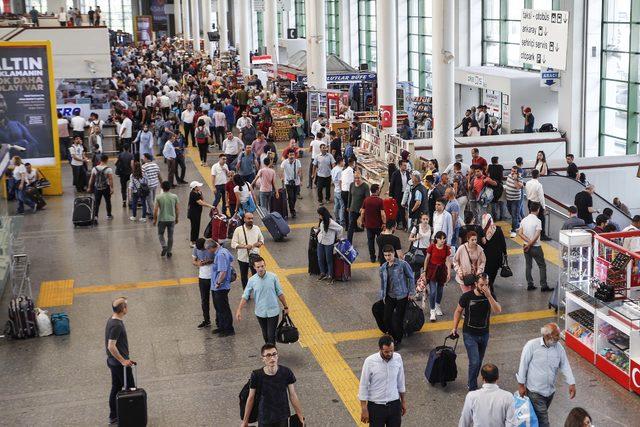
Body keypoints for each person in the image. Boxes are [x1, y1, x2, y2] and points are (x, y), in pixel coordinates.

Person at [516, 323, 576, 427]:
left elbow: (565, 365)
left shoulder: (559, 348)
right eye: (556, 335)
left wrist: (572, 383)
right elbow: (523, 365)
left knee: (538, 419)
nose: (559, 338)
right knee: (544, 422)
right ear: (547, 336)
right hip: (535, 392)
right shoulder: (531, 346)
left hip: (550, 392)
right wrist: (521, 385)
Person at [452, 273, 502, 391]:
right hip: (469, 334)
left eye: (486, 284)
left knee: (479, 361)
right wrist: (454, 327)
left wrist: (489, 296)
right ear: (475, 284)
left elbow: (498, 310)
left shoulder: (490, 295)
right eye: (481, 285)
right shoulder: (467, 297)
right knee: (474, 361)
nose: (484, 287)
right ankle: (472, 386)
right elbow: (458, 311)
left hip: (484, 334)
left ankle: (472, 380)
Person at [241, 343, 304, 427]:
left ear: (277, 356)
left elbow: (293, 395)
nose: (272, 358)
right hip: (265, 418)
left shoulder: (286, 372)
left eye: (274, 354)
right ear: (262, 359)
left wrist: (300, 416)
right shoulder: (256, 375)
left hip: (282, 416)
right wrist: (245, 421)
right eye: (268, 355)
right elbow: (251, 398)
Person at [236, 256, 290, 344]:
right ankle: (269, 351)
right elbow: (245, 296)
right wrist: (239, 310)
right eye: (258, 267)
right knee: (265, 335)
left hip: (273, 311)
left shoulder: (273, 277)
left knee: (271, 335)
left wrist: (286, 306)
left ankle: (272, 353)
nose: (261, 269)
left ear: (265, 265)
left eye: (262, 266)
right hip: (260, 312)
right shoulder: (252, 280)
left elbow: (280, 293)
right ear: (254, 267)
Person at [358, 335, 407, 426]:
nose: (389, 354)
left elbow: (401, 382)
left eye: (391, 351)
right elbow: (363, 385)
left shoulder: (398, 358)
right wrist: (364, 408)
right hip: (376, 407)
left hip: (394, 404)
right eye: (386, 352)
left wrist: (403, 401)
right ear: (380, 349)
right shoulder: (370, 361)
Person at [105, 297, 135, 425]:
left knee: (116, 388)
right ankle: (131, 415)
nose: (128, 307)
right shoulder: (116, 325)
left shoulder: (112, 319)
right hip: (119, 364)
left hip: (113, 362)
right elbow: (111, 346)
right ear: (123, 309)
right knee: (131, 388)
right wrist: (123, 361)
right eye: (126, 305)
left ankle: (114, 416)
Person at [379, 245, 415, 348]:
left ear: (393, 253)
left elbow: (411, 277)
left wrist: (411, 293)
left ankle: (397, 340)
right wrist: (382, 295)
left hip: (402, 296)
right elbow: (383, 282)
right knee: (386, 318)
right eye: (385, 255)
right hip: (390, 296)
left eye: (389, 255)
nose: (387, 257)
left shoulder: (402, 264)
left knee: (398, 319)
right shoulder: (383, 267)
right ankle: (392, 335)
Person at [518, 202, 552, 292]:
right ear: (538, 209)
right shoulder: (538, 221)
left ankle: (530, 284)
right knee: (542, 266)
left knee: (528, 265)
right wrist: (531, 244)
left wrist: (527, 244)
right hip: (536, 247)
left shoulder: (524, 220)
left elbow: (520, 233)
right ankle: (544, 286)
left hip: (525, 246)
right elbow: (537, 236)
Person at [207, 239, 235, 336]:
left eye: (208, 249)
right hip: (217, 287)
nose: (208, 251)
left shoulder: (220, 255)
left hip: (220, 287)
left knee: (223, 308)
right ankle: (222, 327)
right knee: (219, 307)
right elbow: (231, 259)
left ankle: (228, 329)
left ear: (212, 248)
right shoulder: (223, 250)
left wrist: (218, 282)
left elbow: (223, 271)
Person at [422, 231, 451, 322]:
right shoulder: (432, 247)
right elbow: (427, 259)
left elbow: (447, 261)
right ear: (437, 239)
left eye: (444, 238)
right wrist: (424, 271)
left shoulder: (446, 248)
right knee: (433, 291)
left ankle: (437, 305)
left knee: (440, 290)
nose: (443, 240)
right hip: (432, 270)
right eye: (441, 238)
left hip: (442, 270)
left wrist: (449, 272)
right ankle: (432, 310)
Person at [231, 212, 264, 290]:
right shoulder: (238, 230)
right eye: (249, 218)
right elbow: (233, 244)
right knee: (244, 276)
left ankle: (257, 291)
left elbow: (261, 240)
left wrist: (258, 243)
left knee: (256, 276)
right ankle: (246, 293)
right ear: (244, 219)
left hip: (254, 257)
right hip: (243, 258)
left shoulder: (257, 228)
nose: (251, 220)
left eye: (252, 218)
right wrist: (245, 246)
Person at [192, 238, 216, 329]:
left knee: (216, 300)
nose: (202, 250)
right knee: (204, 300)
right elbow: (193, 261)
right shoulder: (196, 248)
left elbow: (217, 257)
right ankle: (206, 320)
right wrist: (199, 263)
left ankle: (219, 321)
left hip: (213, 276)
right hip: (202, 277)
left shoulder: (211, 245)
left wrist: (210, 261)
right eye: (200, 250)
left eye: (203, 249)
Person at [481, 214, 506, 297]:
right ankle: (490, 285)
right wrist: (505, 253)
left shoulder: (482, 231)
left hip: (486, 258)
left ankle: (489, 287)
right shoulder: (498, 229)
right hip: (497, 257)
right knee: (493, 273)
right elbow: (503, 243)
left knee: (487, 273)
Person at [316, 207, 343, 284]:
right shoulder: (322, 221)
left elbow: (340, 228)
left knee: (329, 260)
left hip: (328, 243)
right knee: (320, 258)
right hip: (320, 241)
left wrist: (338, 238)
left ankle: (330, 275)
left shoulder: (331, 222)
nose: (319, 216)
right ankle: (323, 273)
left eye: (320, 215)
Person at [361, 184, 386, 263]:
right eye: (379, 189)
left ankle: (372, 257)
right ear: (376, 190)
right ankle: (380, 257)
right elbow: (382, 214)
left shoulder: (366, 200)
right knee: (380, 242)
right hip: (379, 226)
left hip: (369, 226)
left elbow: (362, 212)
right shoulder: (380, 201)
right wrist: (384, 223)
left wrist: (362, 222)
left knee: (370, 242)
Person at [153, 181, 179, 258]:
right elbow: (177, 209)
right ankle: (169, 251)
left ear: (161, 187)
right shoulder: (174, 196)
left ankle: (164, 245)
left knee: (160, 234)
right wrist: (176, 218)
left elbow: (155, 210)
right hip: (171, 219)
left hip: (162, 219)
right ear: (170, 187)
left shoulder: (158, 197)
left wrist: (155, 220)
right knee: (170, 236)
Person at [525, 169, 551, 240]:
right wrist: (543, 206)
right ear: (538, 175)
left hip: (530, 202)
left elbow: (527, 193)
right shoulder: (539, 185)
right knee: (541, 219)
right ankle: (542, 235)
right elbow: (541, 197)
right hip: (537, 204)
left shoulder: (527, 183)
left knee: (532, 218)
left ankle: (531, 233)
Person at [88, 154, 114, 222]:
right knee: (108, 201)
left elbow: (91, 179)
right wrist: (112, 188)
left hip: (97, 188)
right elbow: (110, 179)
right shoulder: (108, 169)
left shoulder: (94, 168)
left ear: (100, 160)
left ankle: (96, 216)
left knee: (97, 203)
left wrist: (89, 187)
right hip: (106, 187)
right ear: (107, 160)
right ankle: (109, 215)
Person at [187, 181, 214, 246]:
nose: (199, 187)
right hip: (193, 214)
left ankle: (195, 240)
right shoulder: (193, 194)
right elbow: (201, 203)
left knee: (197, 227)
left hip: (197, 213)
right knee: (194, 227)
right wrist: (211, 206)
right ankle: (192, 241)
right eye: (198, 186)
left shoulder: (197, 193)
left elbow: (202, 200)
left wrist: (201, 194)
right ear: (195, 187)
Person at [347, 172, 371, 243]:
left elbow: (367, 199)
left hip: (361, 209)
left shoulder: (365, 186)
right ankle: (349, 242)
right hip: (353, 208)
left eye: (358, 178)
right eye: (355, 178)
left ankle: (370, 239)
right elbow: (350, 196)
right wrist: (348, 206)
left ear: (361, 178)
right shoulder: (351, 185)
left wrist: (363, 208)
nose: (357, 180)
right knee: (351, 225)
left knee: (366, 225)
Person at [389, 160, 411, 230]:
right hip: (398, 194)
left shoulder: (407, 173)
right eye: (404, 165)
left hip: (406, 194)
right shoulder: (395, 174)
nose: (406, 167)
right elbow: (392, 185)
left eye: (406, 165)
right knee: (399, 209)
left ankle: (403, 223)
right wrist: (391, 195)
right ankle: (401, 224)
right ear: (400, 166)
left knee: (404, 209)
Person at [280, 150, 302, 218]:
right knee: (291, 197)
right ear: (288, 156)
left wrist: (301, 180)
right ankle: (292, 211)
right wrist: (282, 178)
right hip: (288, 182)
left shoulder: (297, 162)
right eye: (290, 155)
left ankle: (292, 207)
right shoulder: (285, 162)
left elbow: (300, 170)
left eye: (293, 155)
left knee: (295, 197)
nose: (292, 156)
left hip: (296, 182)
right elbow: (281, 170)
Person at [505, 165, 523, 238]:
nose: (512, 172)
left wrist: (515, 179)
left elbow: (518, 187)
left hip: (516, 200)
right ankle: (517, 225)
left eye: (514, 171)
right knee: (511, 212)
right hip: (509, 198)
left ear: (517, 172)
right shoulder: (509, 176)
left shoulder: (519, 178)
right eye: (511, 171)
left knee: (515, 215)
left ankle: (513, 230)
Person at [142, 153, 162, 219]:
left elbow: (143, 177)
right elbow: (159, 175)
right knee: (152, 199)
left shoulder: (144, 166)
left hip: (148, 185)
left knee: (149, 200)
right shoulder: (155, 165)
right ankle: (150, 211)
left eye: (144, 158)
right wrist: (161, 183)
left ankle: (153, 214)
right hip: (155, 184)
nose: (143, 159)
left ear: (147, 158)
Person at [330, 157, 345, 226]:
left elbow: (332, 180)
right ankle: (341, 221)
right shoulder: (340, 171)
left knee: (336, 205)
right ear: (340, 162)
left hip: (335, 190)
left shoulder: (334, 169)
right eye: (343, 161)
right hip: (339, 190)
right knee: (342, 206)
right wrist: (342, 191)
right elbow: (340, 181)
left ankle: (337, 218)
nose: (344, 163)